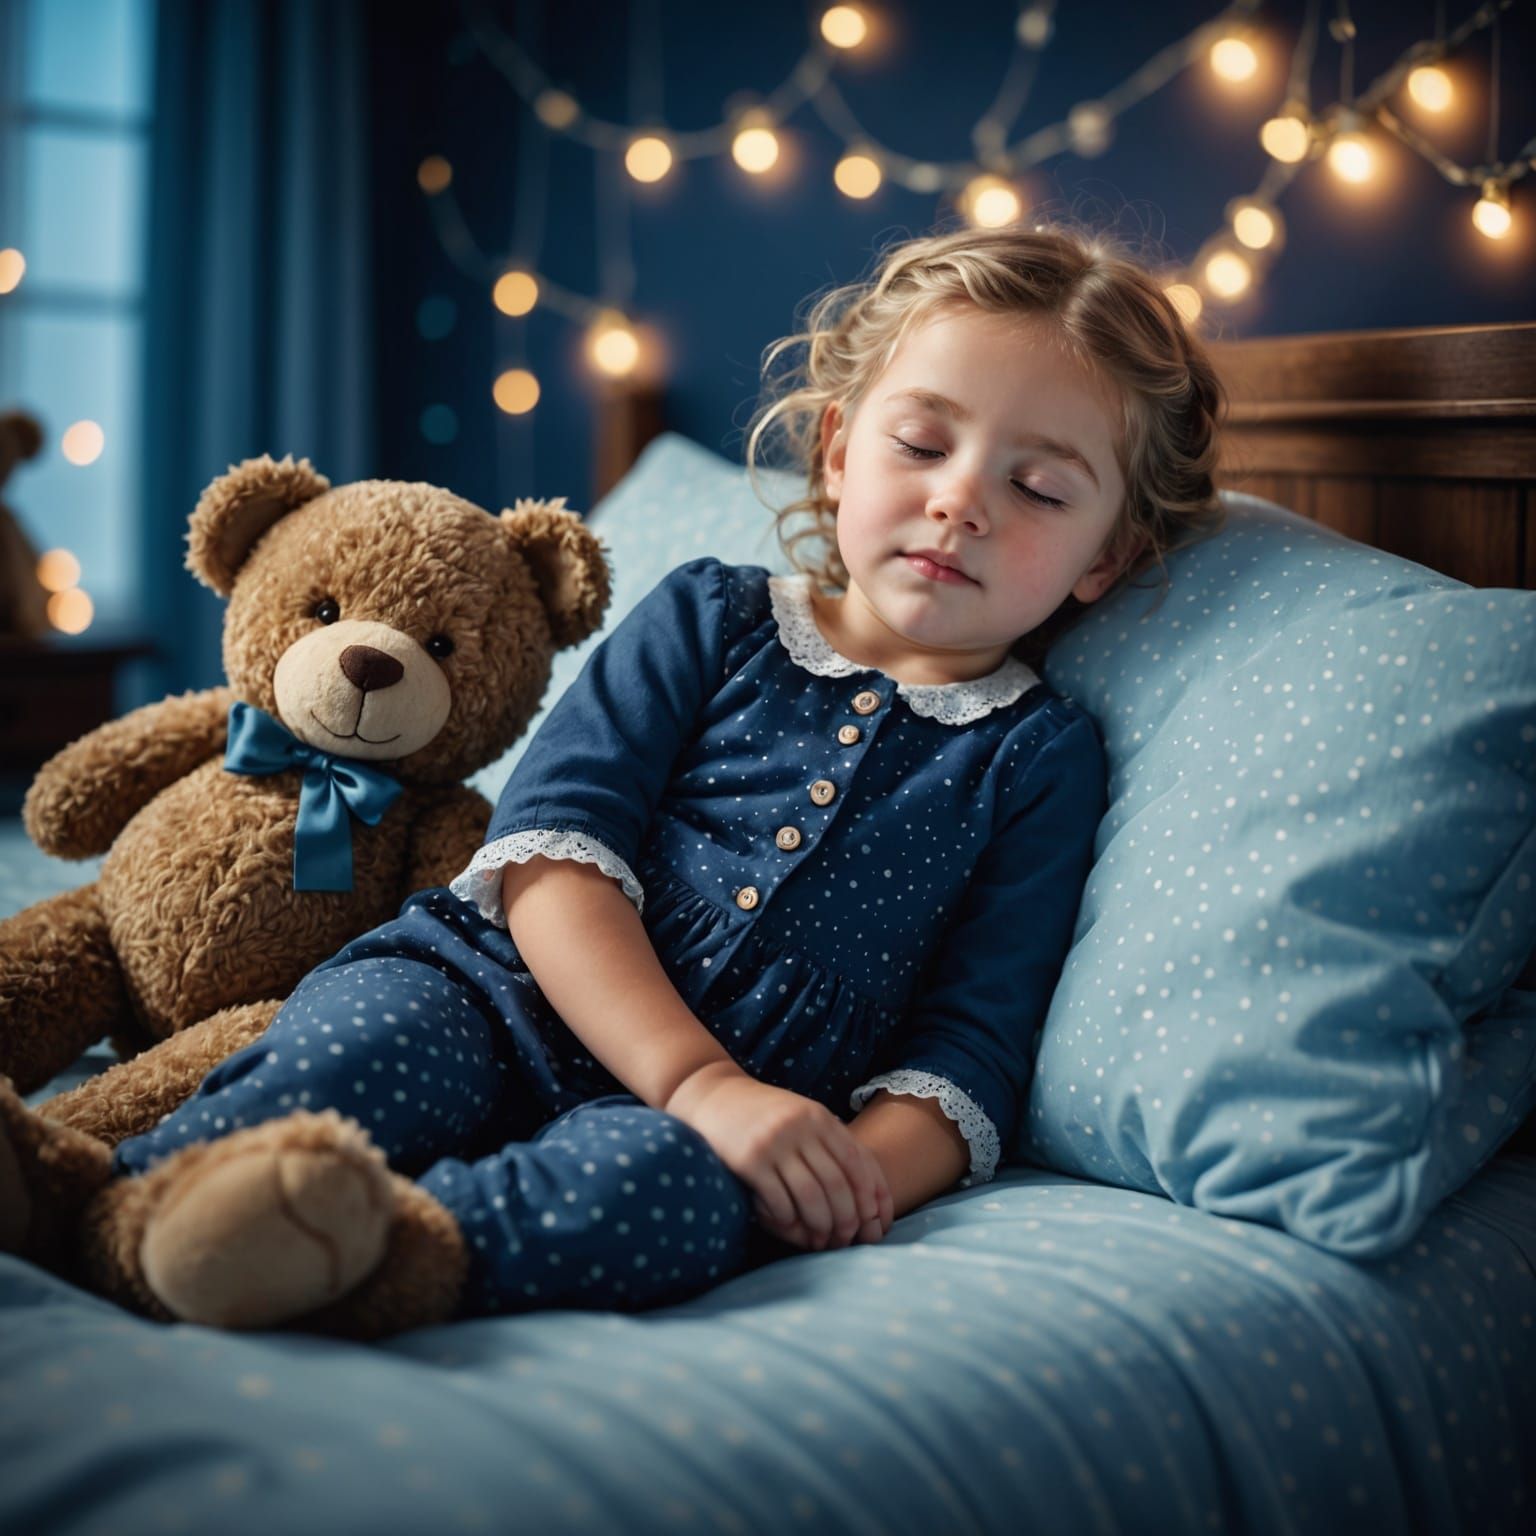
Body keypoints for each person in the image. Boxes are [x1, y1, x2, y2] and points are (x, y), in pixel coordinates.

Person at [99, 219, 1229, 1324]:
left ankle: (366, 1255)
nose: (960, 500)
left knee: (669, 1199)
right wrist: (698, 1077)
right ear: (839, 451)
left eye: (1040, 490)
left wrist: (846, 1179)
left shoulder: (1039, 758)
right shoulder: (713, 616)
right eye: (924, 445)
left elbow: (973, 1044)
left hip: (701, 1126)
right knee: (361, 1045)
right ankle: (115, 1205)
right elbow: (551, 854)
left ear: (1107, 556)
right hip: (494, 990)